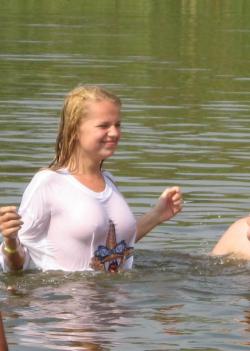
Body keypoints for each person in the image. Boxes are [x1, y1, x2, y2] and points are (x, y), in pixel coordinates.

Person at [0, 85, 182, 273]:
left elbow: (116, 248)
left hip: (118, 299)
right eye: (104, 125)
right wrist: (11, 241)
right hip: (63, 299)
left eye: (117, 124)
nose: (115, 133)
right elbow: (15, 266)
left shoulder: (109, 181)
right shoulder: (48, 183)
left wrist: (156, 216)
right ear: (75, 129)